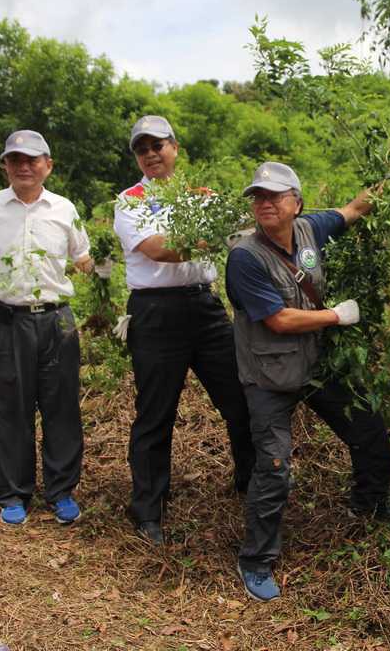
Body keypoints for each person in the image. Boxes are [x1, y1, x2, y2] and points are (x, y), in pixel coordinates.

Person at [225, 161, 390, 602]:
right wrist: (335, 315)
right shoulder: (245, 256)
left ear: (296, 203)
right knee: (275, 467)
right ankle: (257, 559)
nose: (264, 203)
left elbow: (353, 210)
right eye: (258, 197)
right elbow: (279, 319)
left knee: (369, 429)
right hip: (269, 376)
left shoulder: (309, 229)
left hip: (318, 366)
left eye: (274, 196)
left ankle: (369, 507)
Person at [112, 115, 255, 545]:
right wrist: (212, 238)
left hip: (204, 306)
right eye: (142, 148)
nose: (151, 154)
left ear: (175, 147)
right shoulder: (130, 200)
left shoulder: (204, 195)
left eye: (158, 145)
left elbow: (239, 237)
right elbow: (158, 249)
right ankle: (148, 509)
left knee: (241, 398)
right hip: (155, 313)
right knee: (156, 413)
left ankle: (250, 483)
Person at [0, 129, 93, 526]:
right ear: (5, 165)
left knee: (61, 406)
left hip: (57, 318)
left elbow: (84, 260)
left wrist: (110, 298)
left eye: (32, 160)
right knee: (13, 406)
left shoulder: (64, 209)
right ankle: (13, 493)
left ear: (48, 165)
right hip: (6, 319)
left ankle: (61, 490)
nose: (24, 167)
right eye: (15, 160)